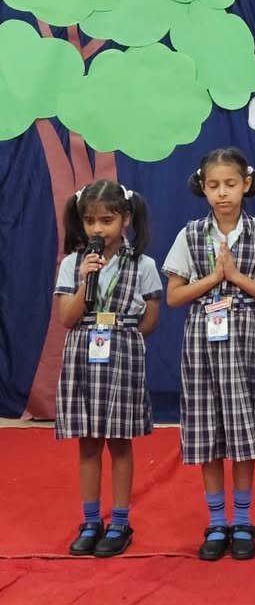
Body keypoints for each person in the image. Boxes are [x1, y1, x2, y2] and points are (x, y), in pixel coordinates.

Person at [163, 148, 255, 561]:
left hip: (247, 339)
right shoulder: (189, 235)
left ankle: (242, 520)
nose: (222, 193)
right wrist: (214, 277)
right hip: (203, 340)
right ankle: (217, 521)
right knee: (208, 430)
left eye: (230, 184)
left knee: (244, 429)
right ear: (202, 187)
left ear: (246, 184)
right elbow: (174, 296)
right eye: (214, 185)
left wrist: (235, 277)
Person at [55, 180, 160, 558]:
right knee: (87, 442)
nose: (97, 229)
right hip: (83, 351)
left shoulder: (144, 265)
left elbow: (150, 320)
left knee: (119, 441)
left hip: (122, 351)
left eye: (106, 220)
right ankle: (90, 522)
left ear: (126, 218)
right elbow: (66, 318)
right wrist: (86, 279)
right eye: (89, 221)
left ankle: (119, 522)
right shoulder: (73, 263)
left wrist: (121, 334)